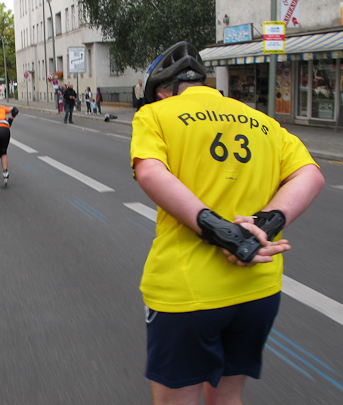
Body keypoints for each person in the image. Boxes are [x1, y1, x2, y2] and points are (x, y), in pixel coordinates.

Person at [130, 41, 325, 405]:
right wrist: (262, 226)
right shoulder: (263, 121)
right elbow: (311, 176)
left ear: (161, 92)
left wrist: (222, 233)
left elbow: (150, 173)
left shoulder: (156, 115)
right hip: (258, 290)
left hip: (188, 292)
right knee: (228, 396)